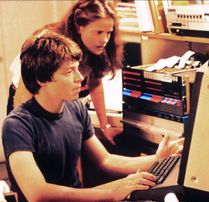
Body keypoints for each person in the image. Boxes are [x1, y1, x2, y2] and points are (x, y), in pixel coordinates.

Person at [2, 30, 183, 202]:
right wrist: (111, 192)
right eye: (68, 72)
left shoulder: (76, 108)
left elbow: (106, 161)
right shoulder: (17, 125)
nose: (79, 78)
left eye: (77, 69)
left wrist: (158, 159)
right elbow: (38, 195)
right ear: (42, 79)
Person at [9, 0, 123, 145]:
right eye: (99, 32)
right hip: (28, 98)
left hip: (60, 101)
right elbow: (22, 100)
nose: (105, 39)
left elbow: (95, 83)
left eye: (108, 33)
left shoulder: (95, 46)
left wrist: (104, 125)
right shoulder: (45, 45)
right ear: (79, 27)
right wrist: (23, 133)